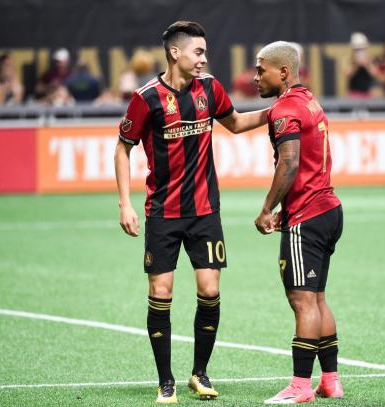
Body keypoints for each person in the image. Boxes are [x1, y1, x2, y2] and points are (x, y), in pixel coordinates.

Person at [114, 20, 269, 404]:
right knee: (161, 292)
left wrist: (275, 110)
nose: (204, 59)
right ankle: (165, 380)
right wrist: (124, 203)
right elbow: (122, 147)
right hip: (163, 212)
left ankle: (199, 373)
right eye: (198, 52)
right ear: (175, 53)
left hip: (205, 211)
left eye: (204, 52)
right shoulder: (146, 97)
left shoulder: (210, 88)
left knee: (210, 289)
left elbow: (234, 124)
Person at [253, 41, 344, 404]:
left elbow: (288, 163)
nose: (256, 76)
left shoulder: (286, 109)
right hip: (330, 209)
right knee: (318, 299)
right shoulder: (308, 100)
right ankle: (331, 381)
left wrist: (266, 209)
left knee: (302, 301)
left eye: (262, 70)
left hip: (306, 217)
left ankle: (300, 386)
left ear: (284, 72)